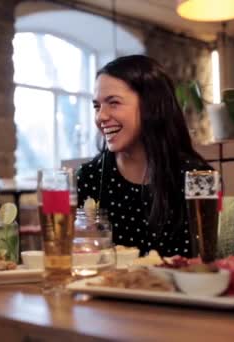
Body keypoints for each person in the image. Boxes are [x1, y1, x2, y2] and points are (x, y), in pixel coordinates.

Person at [76, 55, 210, 258]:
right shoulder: (89, 178)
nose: (100, 116)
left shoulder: (197, 176)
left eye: (113, 103)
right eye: (97, 106)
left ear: (151, 105)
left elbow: (201, 262)